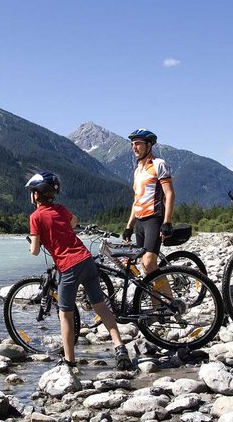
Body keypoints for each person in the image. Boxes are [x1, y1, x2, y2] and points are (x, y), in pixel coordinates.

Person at [25, 171, 132, 371]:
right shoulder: (60, 209)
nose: (31, 195)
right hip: (86, 260)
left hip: (68, 266)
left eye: (32, 191)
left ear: (37, 194)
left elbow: (35, 251)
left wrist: (34, 239)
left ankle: (69, 360)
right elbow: (74, 221)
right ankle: (120, 347)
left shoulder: (35, 217)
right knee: (100, 306)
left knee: (66, 314)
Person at [121, 129, 175, 276]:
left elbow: (169, 194)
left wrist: (167, 222)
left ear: (149, 145)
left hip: (154, 218)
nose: (134, 147)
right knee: (144, 267)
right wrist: (129, 226)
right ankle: (156, 299)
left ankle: (169, 300)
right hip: (139, 222)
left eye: (138, 143)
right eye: (132, 144)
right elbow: (136, 200)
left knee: (149, 263)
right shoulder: (137, 171)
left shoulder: (158, 164)